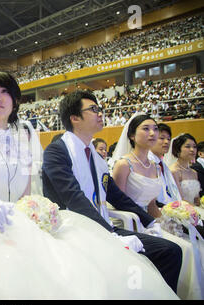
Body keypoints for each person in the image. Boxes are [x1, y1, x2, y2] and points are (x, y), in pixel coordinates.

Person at [0, 73, 177, 299]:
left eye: (4, 92)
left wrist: (31, 213)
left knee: (75, 265)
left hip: (20, 219)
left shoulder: (24, 137)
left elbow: (28, 193)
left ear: (15, 100)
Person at [42, 90, 182, 294]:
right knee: (166, 252)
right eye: (93, 109)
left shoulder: (95, 156)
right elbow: (73, 197)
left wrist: (151, 221)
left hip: (102, 225)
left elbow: (116, 196)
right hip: (74, 229)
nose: (100, 113)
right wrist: (109, 233)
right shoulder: (57, 151)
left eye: (100, 109)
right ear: (74, 118)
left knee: (170, 250)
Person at [111, 116, 204, 300]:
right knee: (182, 248)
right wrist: (150, 223)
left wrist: (169, 220)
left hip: (153, 220)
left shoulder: (154, 166)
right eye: (145, 129)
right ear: (131, 135)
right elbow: (118, 203)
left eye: (154, 128)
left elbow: (153, 204)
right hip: (134, 223)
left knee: (192, 240)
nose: (152, 133)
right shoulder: (124, 165)